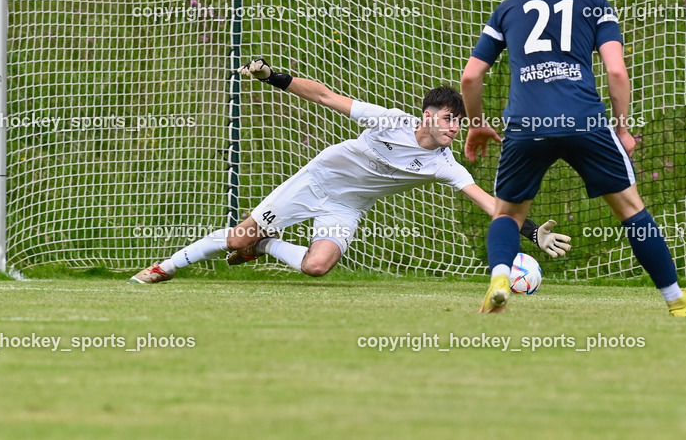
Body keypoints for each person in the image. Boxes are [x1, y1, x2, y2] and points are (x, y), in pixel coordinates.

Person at [130, 58, 571, 284]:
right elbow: (325, 96)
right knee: (237, 238)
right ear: (427, 116)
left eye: (460, 122)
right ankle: (164, 267)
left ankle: (265, 247)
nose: (457, 128)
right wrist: (273, 77)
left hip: (347, 204)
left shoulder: (445, 165)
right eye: (451, 120)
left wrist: (532, 232)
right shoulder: (389, 120)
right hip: (315, 181)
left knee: (317, 267)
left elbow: (490, 203)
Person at [461, 0, 686, 316]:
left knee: (508, 213)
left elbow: (470, 76)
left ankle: (499, 277)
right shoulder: (596, 6)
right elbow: (616, 73)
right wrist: (622, 127)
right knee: (631, 209)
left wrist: (476, 123)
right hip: (584, 121)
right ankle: (677, 299)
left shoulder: (509, 8)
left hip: (528, 125)